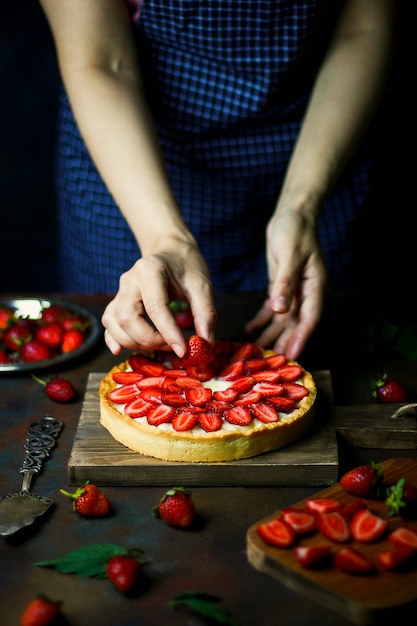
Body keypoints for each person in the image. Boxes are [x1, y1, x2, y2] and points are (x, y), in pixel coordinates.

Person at [39, 0, 395, 361]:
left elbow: (361, 29)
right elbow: (102, 62)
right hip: (135, 162)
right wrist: (165, 238)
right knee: (131, 342)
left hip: (321, 147)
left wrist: (301, 206)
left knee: (339, 352)